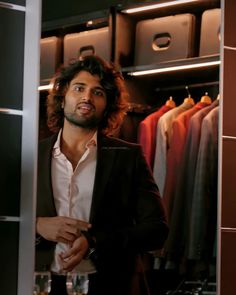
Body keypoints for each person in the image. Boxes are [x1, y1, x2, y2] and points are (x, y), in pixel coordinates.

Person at [35, 55, 168, 295]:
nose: (87, 97)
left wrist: (95, 241)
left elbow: (157, 230)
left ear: (107, 105)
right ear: (62, 98)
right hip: (41, 286)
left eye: (98, 92)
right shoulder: (30, 156)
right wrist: (35, 226)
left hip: (109, 285)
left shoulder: (127, 157)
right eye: (79, 88)